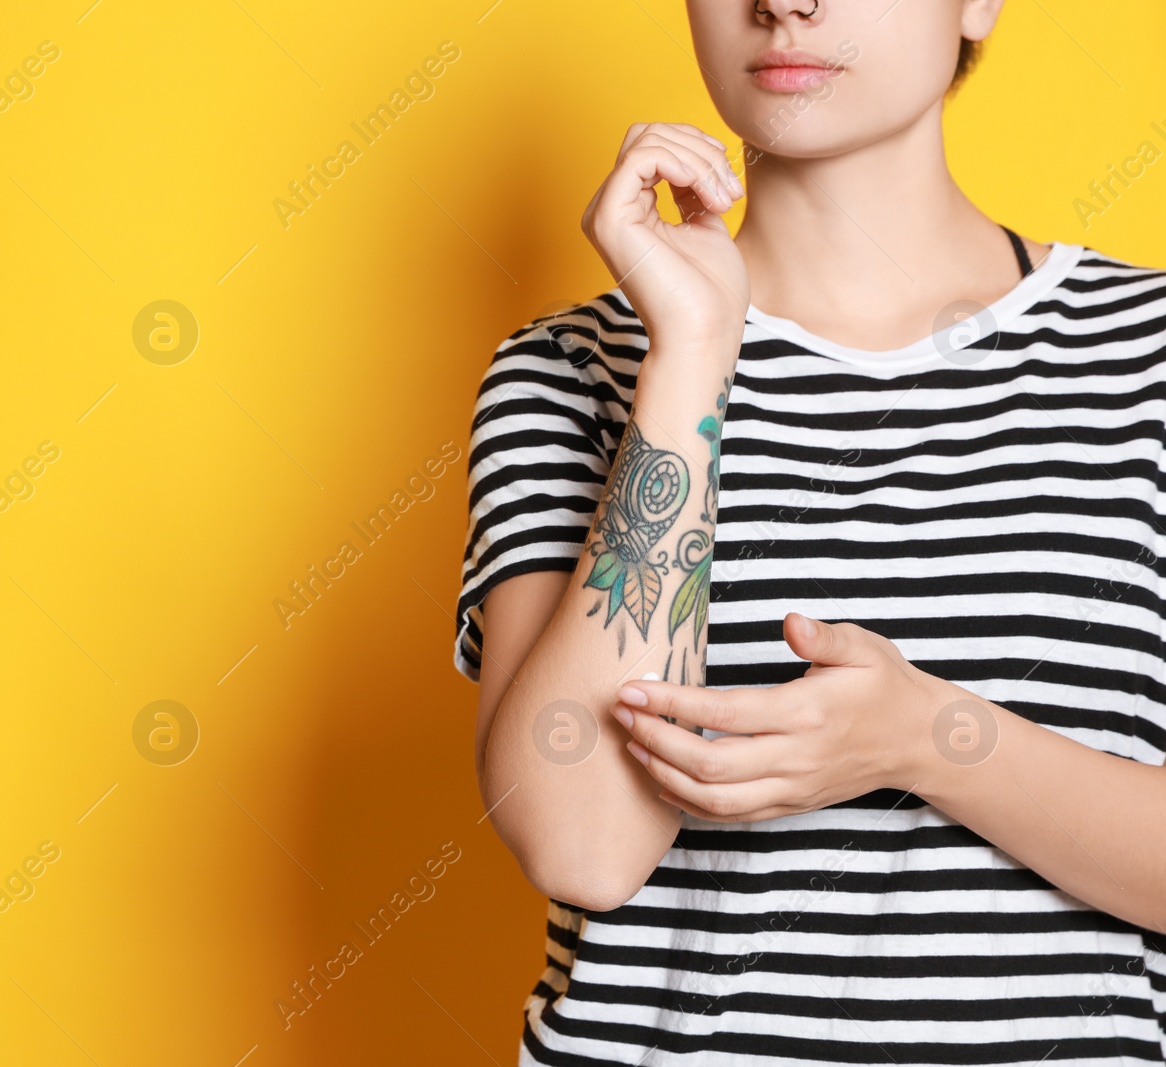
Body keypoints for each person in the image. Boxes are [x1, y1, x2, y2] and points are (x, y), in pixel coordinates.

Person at [454, 1, 1166, 1063]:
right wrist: (689, 356)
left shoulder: (1142, 358)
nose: (785, 2)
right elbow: (583, 842)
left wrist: (926, 739)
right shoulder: (567, 368)